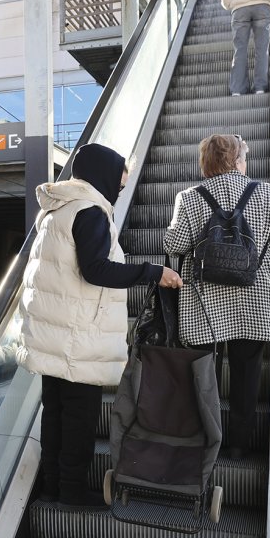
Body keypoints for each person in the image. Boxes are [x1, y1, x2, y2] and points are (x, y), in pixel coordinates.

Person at [17, 143, 182, 510]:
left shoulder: (56, 210)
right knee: (78, 419)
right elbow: (96, 270)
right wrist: (151, 272)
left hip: (54, 333)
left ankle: (52, 488)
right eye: (119, 186)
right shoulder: (90, 211)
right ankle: (71, 493)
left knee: (56, 414)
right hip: (78, 336)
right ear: (103, 176)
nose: (119, 193)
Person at [164, 134, 270, 461]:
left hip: (204, 301)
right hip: (255, 300)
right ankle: (237, 445)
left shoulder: (190, 197)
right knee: (247, 374)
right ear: (236, 161)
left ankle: (205, 439)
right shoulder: (265, 192)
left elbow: (175, 245)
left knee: (203, 373)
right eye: (243, 158)